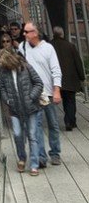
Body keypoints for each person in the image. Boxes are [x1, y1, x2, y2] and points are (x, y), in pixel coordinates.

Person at [0, 47, 45, 176]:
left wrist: (31, 97)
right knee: (18, 134)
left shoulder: (26, 67)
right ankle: (22, 158)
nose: (1, 65)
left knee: (32, 135)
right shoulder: (3, 72)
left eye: (2, 62)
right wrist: (8, 100)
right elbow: (2, 88)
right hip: (15, 108)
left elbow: (39, 83)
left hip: (31, 107)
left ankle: (34, 165)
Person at [20, 21, 62, 165]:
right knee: (36, 126)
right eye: (23, 31)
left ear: (35, 33)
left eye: (27, 31)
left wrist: (57, 90)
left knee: (53, 124)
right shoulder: (22, 47)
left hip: (48, 92)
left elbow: (56, 70)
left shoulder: (48, 48)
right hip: (33, 94)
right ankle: (41, 156)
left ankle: (55, 152)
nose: (24, 34)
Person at [51, 25, 86, 131]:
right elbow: (77, 62)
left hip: (56, 80)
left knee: (64, 101)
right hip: (70, 79)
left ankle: (69, 120)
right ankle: (70, 121)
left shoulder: (49, 46)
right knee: (70, 101)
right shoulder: (70, 46)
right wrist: (82, 77)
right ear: (62, 34)